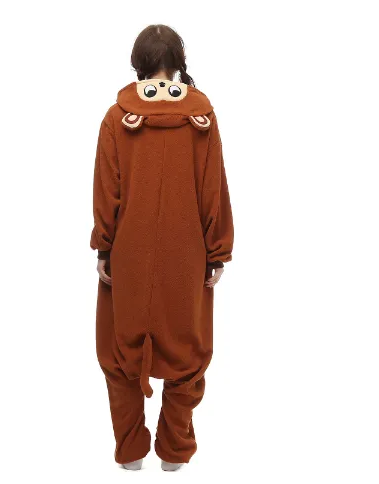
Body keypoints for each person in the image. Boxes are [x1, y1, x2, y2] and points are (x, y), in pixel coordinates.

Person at [90, 24, 234, 471]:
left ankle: (131, 452)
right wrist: (217, 250)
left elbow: (107, 190)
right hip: (186, 254)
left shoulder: (117, 118)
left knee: (119, 349)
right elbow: (214, 189)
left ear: (139, 62)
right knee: (189, 350)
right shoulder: (201, 119)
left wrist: (104, 247)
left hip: (128, 254)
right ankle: (174, 452)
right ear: (179, 62)